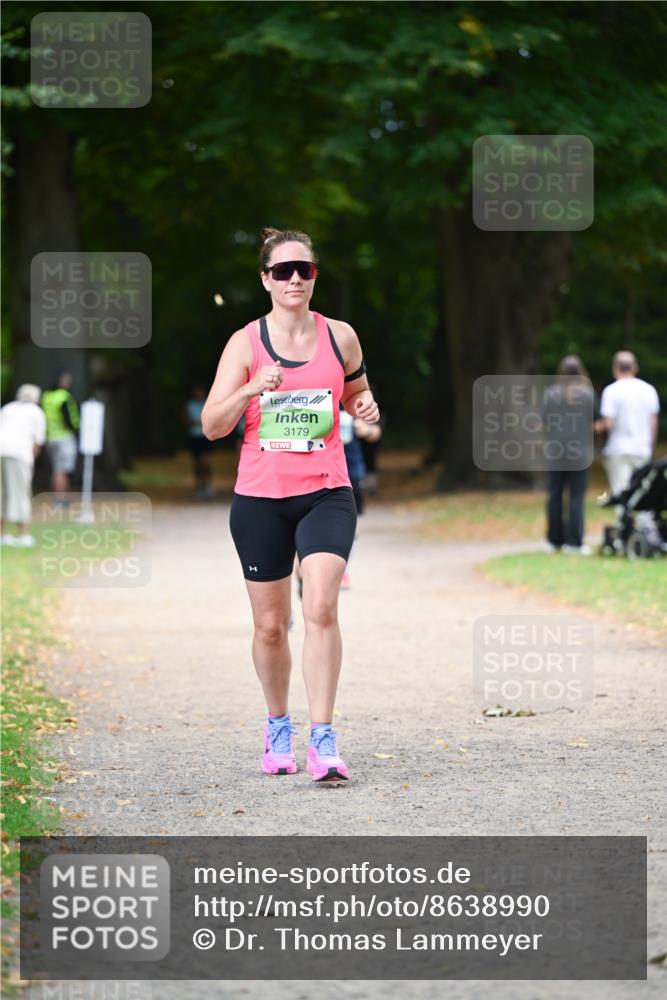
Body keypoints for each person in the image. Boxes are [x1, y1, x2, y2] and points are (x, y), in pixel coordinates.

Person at [202, 227, 380, 782]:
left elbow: (357, 395)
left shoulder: (341, 337)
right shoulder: (245, 343)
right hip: (259, 498)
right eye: (283, 271)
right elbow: (212, 425)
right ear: (266, 280)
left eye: (304, 269)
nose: (295, 278)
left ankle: (323, 740)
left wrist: (367, 409)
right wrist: (252, 389)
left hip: (327, 491)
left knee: (322, 607)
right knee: (271, 627)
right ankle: (278, 724)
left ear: (315, 275)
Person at [542, 356, 597, 555]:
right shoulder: (587, 395)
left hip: (556, 452)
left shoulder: (550, 394)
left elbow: (544, 422)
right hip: (580, 453)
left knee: (554, 496)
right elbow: (594, 423)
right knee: (576, 497)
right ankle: (574, 542)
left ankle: (554, 540)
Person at [598, 351, 660, 496]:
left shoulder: (611, 391)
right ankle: (645, 519)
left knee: (621, 495)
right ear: (634, 368)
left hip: (618, 449)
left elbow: (608, 423)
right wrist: (650, 447)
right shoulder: (648, 390)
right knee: (643, 495)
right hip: (642, 449)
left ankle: (624, 518)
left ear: (615, 368)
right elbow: (653, 424)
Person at [339, 407, 382, 587]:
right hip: (318, 472)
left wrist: (366, 430)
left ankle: (343, 571)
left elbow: (376, 431)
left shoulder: (355, 399)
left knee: (351, 526)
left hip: (352, 473)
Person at [0, 384, 47, 547]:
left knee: (2, 494)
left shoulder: (7, 408)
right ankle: (23, 535)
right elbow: (38, 442)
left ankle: (2, 534)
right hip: (19, 454)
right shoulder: (36, 412)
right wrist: (30, 459)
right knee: (21, 493)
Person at [41, 371, 79, 505]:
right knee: (62, 470)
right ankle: (61, 498)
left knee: (57, 469)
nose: (69, 382)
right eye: (67, 380)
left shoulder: (46, 396)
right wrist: (76, 429)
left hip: (50, 438)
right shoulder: (64, 396)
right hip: (64, 437)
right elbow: (69, 419)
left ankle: (59, 496)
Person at [184, 385, 215, 499]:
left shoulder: (207, 403)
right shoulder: (190, 405)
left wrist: (199, 421)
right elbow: (188, 420)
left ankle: (208, 485)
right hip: (194, 436)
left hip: (205, 436)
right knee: (197, 462)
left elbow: (211, 418)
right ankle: (199, 486)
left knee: (206, 461)